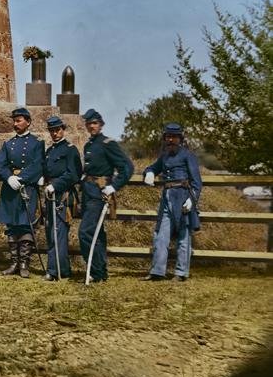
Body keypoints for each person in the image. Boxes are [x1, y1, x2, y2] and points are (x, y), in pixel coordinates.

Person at [79, 108, 134, 283]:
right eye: (88, 124)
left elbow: (127, 167)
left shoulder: (108, 143)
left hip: (100, 194)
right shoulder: (89, 145)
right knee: (97, 233)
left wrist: (114, 186)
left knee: (85, 232)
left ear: (101, 124)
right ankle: (100, 272)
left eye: (94, 123)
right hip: (87, 192)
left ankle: (94, 270)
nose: (91, 126)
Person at [142, 123, 202, 282]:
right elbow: (152, 167)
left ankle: (181, 273)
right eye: (168, 137)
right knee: (161, 235)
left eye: (174, 137)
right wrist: (149, 173)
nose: (170, 140)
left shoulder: (188, 155)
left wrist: (192, 200)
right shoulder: (165, 156)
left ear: (180, 139)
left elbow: (197, 182)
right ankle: (157, 271)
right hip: (167, 198)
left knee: (184, 236)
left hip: (182, 198)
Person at [0, 107, 44, 278]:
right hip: (10, 189)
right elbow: (0, 164)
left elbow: (38, 165)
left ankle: (24, 264)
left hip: (27, 188)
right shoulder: (8, 144)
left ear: (28, 122)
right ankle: (14, 262)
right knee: (11, 225)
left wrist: (21, 179)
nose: (15, 124)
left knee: (25, 225)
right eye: (14, 121)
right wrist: (9, 178)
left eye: (19, 121)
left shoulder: (37, 143)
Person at [41, 116, 82, 281]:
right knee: (51, 232)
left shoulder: (70, 150)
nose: (55, 133)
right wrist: (42, 180)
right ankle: (63, 269)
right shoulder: (49, 151)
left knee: (58, 233)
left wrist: (56, 185)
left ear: (63, 130)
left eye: (57, 130)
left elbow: (74, 174)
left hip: (63, 196)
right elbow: (46, 171)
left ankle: (53, 270)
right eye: (52, 131)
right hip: (49, 195)